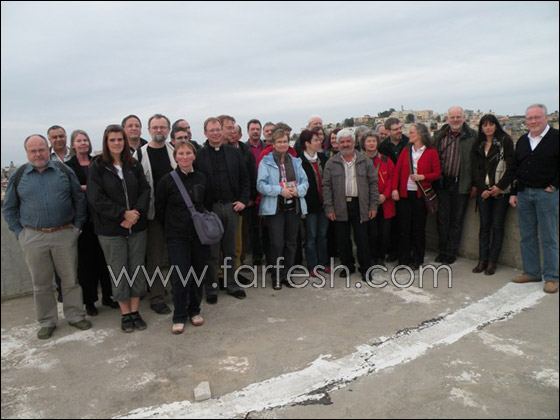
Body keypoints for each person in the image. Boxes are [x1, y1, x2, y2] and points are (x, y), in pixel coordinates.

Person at [3, 134, 90, 340]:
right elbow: (9, 208)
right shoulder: (19, 175)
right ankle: (47, 321)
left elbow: (79, 200)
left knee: (70, 279)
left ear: (48, 149)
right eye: (33, 151)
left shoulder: (63, 170)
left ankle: (76, 316)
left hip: (64, 234)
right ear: (27, 153)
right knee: (40, 283)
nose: (38, 154)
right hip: (34, 237)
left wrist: (77, 227)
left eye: (41, 149)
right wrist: (20, 234)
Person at [88, 124, 151, 332]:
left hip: (136, 227)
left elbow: (145, 190)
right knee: (119, 271)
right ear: (106, 142)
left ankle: (135, 310)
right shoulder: (98, 166)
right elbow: (96, 198)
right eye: (112, 140)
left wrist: (135, 214)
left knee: (137, 270)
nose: (117, 143)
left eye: (120, 139)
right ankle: (125, 314)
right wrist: (122, 214)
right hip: (111, 230)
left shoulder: (133, 164)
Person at [195, 117, 250, 303]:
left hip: (231, 207)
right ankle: (211, 288)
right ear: (205, 133)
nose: (216, 133)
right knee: (211, 252)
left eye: (218, 129)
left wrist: (243, 200)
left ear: (222, 131)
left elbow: (245, 178)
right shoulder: (199, 155)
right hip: (210, 210)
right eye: (211, 130)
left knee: (230, 250)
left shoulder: (234, 153)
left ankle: (231, 284)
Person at [156, 141, 209, 334]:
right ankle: (179, 315)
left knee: (198, 273)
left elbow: (206, 203)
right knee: (180, 276)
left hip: (199, 235)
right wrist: (172, 227)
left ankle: (194, 310)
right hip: (177, 236)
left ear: (194, 156)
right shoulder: (167, 180)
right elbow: (160, 208)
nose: (185, 157)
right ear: (175, 157)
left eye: (188, 153)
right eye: (181, 153)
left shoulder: (202, 178)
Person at [66, 130, 117, 315]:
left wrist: (89, 188)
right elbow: (70, 189)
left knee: (106, 261)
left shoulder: (99, 162)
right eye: (79, 141)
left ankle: (108, 296)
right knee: (86, 264)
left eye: (85, 140)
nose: (83, 143)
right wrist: (89, 189)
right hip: (83, 220)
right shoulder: (68, 166)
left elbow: (106, 186)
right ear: (73, 145)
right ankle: (89, 302)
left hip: (102, 218)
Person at [510, 104, 559, 294]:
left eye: (536, 117)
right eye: (529, 118)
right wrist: (514, 192)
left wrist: (553, 186)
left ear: (546, 117)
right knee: (527, 235)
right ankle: (531, 272)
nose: (533, 121)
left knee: (548, 237)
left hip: (546, 194)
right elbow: (515, 167)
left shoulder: (555, 138)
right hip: (524, 193)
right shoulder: (523, 140)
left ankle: (552, 277)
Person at [322, 129, 378, 280]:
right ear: (337, 144)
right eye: (342, 142)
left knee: (362, 239)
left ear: (354, 142)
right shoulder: (331, 163)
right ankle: (347, 266)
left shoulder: (365, 161)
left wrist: (373, 206)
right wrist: (329, 208)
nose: (345, 144)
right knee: (342, 240)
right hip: (339, 205)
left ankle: (365, 268)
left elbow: (373, 184)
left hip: (360, 205)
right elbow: (326, 186)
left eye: (348, 141)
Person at [134, 114, 175, 315]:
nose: (159, 130)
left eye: (163, 127)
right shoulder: (139, 155)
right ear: (149, 130)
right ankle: (157, 296)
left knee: (177, 255)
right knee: (155, 258)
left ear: (168, 129)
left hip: (175, 214)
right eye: (155, 127)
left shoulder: (175, 151)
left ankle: (179, 290)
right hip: (153, 215)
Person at [257, 129, 309, 289]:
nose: (282, 144)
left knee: (291, 243)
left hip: (293, 207)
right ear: (273, 144)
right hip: (275, 209)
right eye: (279, 141)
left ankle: (287, 275)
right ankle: (277, 276)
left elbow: (305, 182)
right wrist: (280, 191)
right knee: (277, 244)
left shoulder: (296, 161)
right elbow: (261, 185)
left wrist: (297, 191)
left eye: (285, 141)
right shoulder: (266, 162)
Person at [391, 124, 441, 270]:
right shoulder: (406, 151)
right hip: (405, 194)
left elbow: (437, 173)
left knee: (418, 229)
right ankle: (404, 259)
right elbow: (397, 171)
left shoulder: (431, 152)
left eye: (412, 132)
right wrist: (394, 189)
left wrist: (422, 177)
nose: (409, 134)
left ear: (420, 134)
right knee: (404, 228)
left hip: (420, 195)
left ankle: (417, 259)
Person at [471, 115, 515, 276]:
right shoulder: (478, 144)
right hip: (484, 191)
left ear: (496, 125)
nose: (488, 127)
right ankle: (482, 260)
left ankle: (492, 262)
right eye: (485, 125)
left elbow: (511, 167)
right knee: (484, 226)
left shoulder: (505, 141)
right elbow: (475, 169)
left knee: (497, 226)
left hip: (500, 192)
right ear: (481, 128)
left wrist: (499, 187)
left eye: (491, 124)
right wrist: (483, 188)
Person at [433, 106, 477, 264]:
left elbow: (477, 163)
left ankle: (451, 252)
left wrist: (475, 185)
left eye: (458, 117)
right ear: (447, 118)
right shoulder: (439, 135)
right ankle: (442, 250)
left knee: (457, 220)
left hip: (462, 183)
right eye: (452, 117)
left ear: (464, 118)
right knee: (442, 219)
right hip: (443, 183)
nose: (455, 120)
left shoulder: (472, 136)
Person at [361, 131, 396, 266]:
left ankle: (380, 257)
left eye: (374, 141)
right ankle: (370, 256)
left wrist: (385, 195)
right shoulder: (359, 160)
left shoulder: (386, 159)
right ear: (363, 144)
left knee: (384, 232)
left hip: (384, 202)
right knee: (370, 232)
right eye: (368, 141)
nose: (371, 144)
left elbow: (391, 178)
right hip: (367, 202)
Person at [377, 117, 409, 263]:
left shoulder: (408, 142)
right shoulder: (382, 147)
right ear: (388, 131)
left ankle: (404, 252)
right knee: (391, 224)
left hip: (406, 186)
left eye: (400, 128)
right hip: (389, 189)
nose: (399, 131)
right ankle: (393, 251)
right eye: (395, 129)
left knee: (404, 223)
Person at [299, 129, 329, 277]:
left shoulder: (323, 158)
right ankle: (312, 265)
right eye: (315, 140)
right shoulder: (299, 161)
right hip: (310, 206)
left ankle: (323, 263)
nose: (319, 142)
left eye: (319, 140)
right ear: (307, 143)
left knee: (323, 235)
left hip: (324, 204)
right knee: (311, 237)